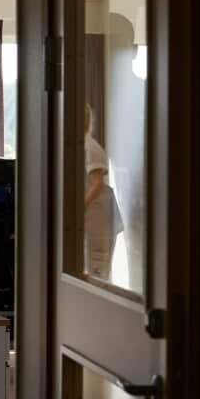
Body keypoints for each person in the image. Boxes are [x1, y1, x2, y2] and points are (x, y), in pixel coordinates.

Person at [84, 104, 123, 280]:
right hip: (89, 220)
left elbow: (97, 184)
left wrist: (78, 208)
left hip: (96, 220)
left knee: (96, 271)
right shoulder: (78, 147)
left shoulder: (91, 148)